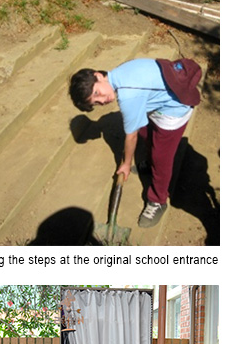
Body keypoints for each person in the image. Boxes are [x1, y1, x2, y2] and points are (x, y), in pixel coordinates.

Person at [69, 57, 201, 228]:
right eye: (96, 102)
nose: (102, 100)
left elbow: (131, 137)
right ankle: (150, 163)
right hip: (160, 101)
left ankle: (158, 200)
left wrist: (126, 163)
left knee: (161, 158)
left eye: (96, 93)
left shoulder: (127, 96)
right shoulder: (119, 72)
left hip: (174, 110)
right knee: (146, 131)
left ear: (98, 76)